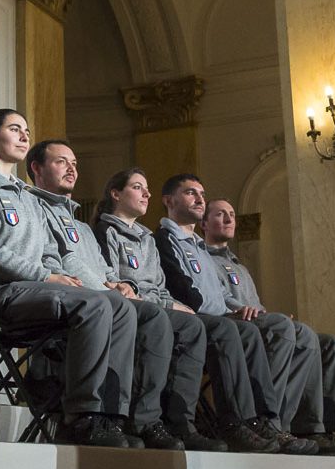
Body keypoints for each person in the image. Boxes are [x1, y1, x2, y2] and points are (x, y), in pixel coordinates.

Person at [0, 110, 137, 447]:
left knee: (119, 306)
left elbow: (50, 250)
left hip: (37, 290)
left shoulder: (27, 197)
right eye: (14, 129)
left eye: (26, 130)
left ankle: (111, 415)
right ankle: (81, 417)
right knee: (95, 305)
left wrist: (62, 276)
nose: (24, 136)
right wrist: (46, 276)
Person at [28, 141, 228, 451]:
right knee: (153, 316)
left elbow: (106, 270)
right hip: (71, 296)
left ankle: (174, 421)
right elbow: (58, 261)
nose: (72, 169)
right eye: (61, 162)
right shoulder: (45, 212)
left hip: (107, 296)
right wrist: (114, 287)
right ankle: (125, 417)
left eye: (75, 163)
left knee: (190, 325)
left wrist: (113, 284)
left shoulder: (82, 224)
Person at [93, 169, 274, 453]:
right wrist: (175, 305)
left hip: (160, 307)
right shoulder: (107, 232)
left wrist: (174, 304)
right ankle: (165, 421)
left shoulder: (148, 238)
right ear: (116, 194)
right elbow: (115, 282)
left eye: (147, 187)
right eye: (138, 187)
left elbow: (162, 287)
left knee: (252, 330)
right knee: (202, 326)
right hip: (132, 310)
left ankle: (258, 422)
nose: (146, 194)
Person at [155, 175, 319, 456]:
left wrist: (236, 310)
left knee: (305, 335)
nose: (199, 199)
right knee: (246, 330)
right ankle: (240, 423)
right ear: (169, 201)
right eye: (190, 193)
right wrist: (232, 312)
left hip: (220, 317)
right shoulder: (163, 239)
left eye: (201, 194)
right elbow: (184, 291)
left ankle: (274, 423)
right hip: (195, 321)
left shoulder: (199, 246)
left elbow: (219, 293)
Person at [202, 199, 335, 457]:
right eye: (220, 214)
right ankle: (271, 424)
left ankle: (316, 429)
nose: (229, 219)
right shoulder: (202, 259)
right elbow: (216, 299)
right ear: (204, 223)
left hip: (256, 322)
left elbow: (256, 306)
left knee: (330, 344)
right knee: (285, 330)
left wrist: (269, 314)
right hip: (231, 324)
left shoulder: (241, 267)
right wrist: (253, 314)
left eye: (232, 214)